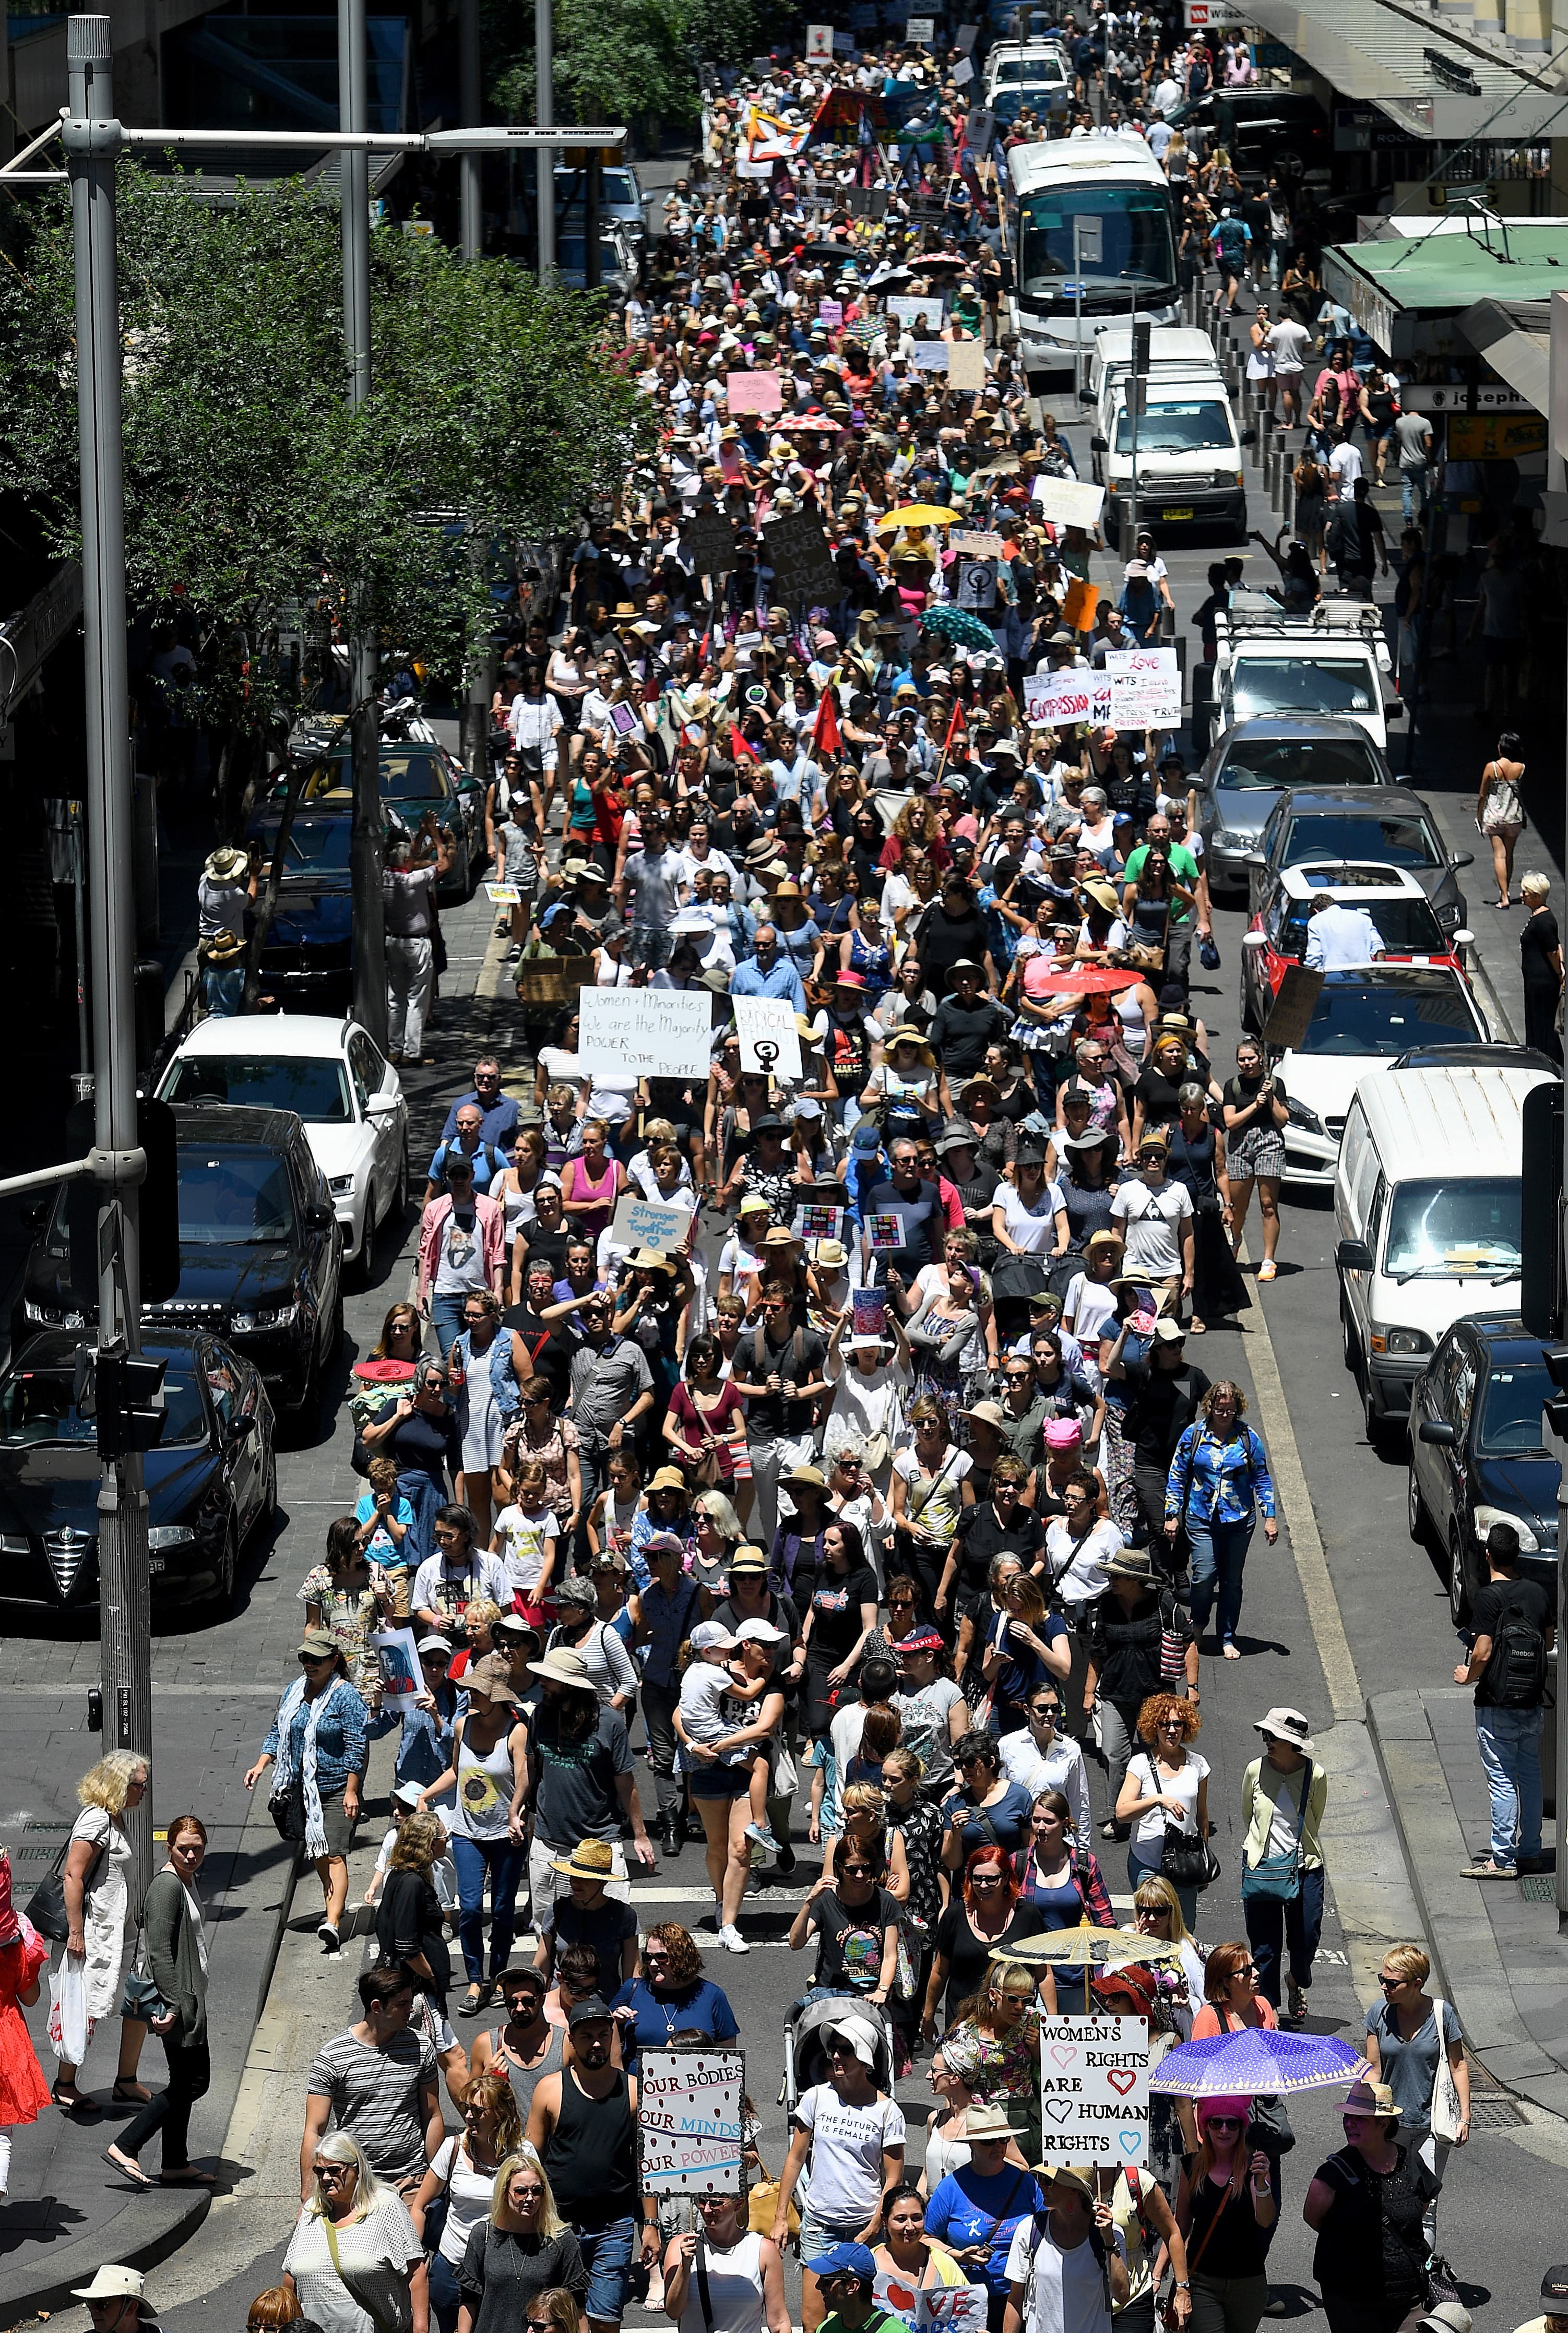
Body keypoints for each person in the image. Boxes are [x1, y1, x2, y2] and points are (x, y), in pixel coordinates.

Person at [101, 1814, 215, 2190]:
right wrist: (172, 2006)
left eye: (197, 1848)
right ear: (170, 1847)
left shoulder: (186, 1880)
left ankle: (176, 2163)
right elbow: (160, 1953)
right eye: (183, 1848)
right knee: (194, 2082)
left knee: (185, 2080)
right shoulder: (166, 1887)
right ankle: (126, 2144)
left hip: (187, 1997)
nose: (190, 1855)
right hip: (179, 2002)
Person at [773, 2015, 907, 2333]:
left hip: (867, 2229)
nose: (835, 2056)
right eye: (833, 2048)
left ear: (864, 2059)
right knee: (813, 2320)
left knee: (867, 2319)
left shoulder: (887, 2111)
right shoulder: (816, 2097)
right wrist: (781, 2215)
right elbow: (795, 2158)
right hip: (821, 2226)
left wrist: (876, 2225)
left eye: (845, 2049)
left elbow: (893, 2178)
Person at [527, 1997, 652, 2333]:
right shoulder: (550, 2089)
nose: (596, 2043)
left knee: (605, 2320)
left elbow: (647, 2163)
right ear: (572, 2040)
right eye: (586, 2036)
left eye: (603, 2035)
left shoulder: (634, 2091)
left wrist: (650, 2224)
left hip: (614, 2225)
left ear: (613, 2037)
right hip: (557, 2226)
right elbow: (528, 2161)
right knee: (554, 2319)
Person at [524, 1640, 656, 1938]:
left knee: (614, 1931)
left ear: (570, 1685)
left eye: (549, 1679)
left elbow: (626, 1784)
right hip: (548, 1844)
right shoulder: (541, 1716)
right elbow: (532, 1770)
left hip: (600, 1844)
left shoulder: (609, 1723)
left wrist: (641, 1835)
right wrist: (519, 1809)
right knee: (547, 1933)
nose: (541, 1683)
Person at [246, 1633, 367, 1953]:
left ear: (334, 1661)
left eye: (316, 1660)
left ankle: (333, 1922)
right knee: (320, 1852)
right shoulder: (294, 1690)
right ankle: (332, 1907)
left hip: (336, 1787)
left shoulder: (346, 1697)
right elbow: (278, 1730)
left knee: (334, 1852)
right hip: (303, 1789)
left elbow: (357, 1747)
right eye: (305, 1659)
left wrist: (352, 1791)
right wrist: (262, 1765)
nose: (309, 1665)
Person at [49, 1749, 149, 2112]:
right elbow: (73, 1875)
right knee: (85, 2005)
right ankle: (64, 2082)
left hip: (121, 1929)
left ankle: (126, 2080)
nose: (144, 1791)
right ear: (120, 1784)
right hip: (95, 1931)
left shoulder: (116, 1819)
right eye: (140, 1784)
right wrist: (76, 1931)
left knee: (137, 1997)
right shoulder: (96, 1820)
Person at [1454, 1519, 1553, 1878]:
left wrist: (1469, 1676)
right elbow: (1548, 1639)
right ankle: (1530, 1851)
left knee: (1501, 1780)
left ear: (1488, 1555)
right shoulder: (1538, 1594)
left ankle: (1501, 1859)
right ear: (1518, 1553)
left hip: (1497, 1703)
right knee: (1530, 1777)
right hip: (1531, 1701)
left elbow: (1482, 1651)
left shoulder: (1489, 1598)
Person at [1303, 2081, 1439, 2333]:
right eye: (1347, 2117)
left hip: (1408, 2297)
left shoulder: (1410, 2161)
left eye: (1359, 2119)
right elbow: (1313, 2217)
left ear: (1383, 2123)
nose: (1349, 2124)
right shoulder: (1333, 2173)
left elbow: (1416, 2214)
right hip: (1350, 2298)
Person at [301, 1965, 443, 2201]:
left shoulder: (421, 2047)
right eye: (402, 2004)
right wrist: (308, 2194)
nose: (411, 2009)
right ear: (377, 2007)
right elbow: (314, 2130)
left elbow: (433, 2114)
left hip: (411, 2180)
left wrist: (433, 2174)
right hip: (356, 2184)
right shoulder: (333, 2057)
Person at [1363, 1944, 1469, 2246]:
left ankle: (1421, 2279)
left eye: (1393, 1983)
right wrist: (1375, 2116)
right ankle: (1391, 2270)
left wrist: (1465, 2117)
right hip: (1389, 2126)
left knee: (1425, 2207)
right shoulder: (1379, 2014)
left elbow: (1458, 2065)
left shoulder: (1441, 2013)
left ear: (1417, 1984)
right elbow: (1373, 2067)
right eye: (1382, 1980)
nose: (1385, 1987)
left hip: (1431, 2125)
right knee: (1388, 2201)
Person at [1165, 1383, 1277, 1658]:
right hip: (1201, 1517)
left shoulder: (1248, 1438)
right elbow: (1178, 1474)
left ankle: (1227, 1636)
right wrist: (1172, 1514)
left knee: (1231, 1581)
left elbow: (1261, 1478)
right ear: (1210, 1408)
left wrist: (1270, 1517)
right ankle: (1199, 1624)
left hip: (1239, 1519)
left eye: (1230, 1410)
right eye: (1219, 1409)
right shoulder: (1194, 1435)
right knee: (1204, 1576)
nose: (1225, 1415)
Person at [411, 2074, 524, 2333]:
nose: (469, 2116)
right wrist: (417, 2258)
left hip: (505, 2271)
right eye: (466, 2109)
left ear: (501, 2113)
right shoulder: (452, 2149)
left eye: (478, 2111)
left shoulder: (524, 2154)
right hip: (452, 2270)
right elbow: (420, 2206)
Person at [285, 2130, 429, 2333]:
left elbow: (416, 2272)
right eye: (319, 2171)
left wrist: (421, 2329)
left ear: (358, 2170)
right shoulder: (312, 2210)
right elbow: (291, 2276)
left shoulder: (385, 2206)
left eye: (335, 2170)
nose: (326, 2178)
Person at [1239, 1707, 1326, 2024]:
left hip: (1305, 1867)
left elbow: (1315, 1819)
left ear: (1293, 1743)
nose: (1267, 1740)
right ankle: (1270, 2008)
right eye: (1265, 1734)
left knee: (1306, 1938)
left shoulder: (1315, 1775)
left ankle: (1296, 1980)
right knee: (1265, 1946)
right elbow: (1249, 1816)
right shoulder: (1254, 1770)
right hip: (1262, 1866)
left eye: (1273, 1736)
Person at [923, 2111, 1045, 2330]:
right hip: (970, 2297)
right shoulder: (951, 2188)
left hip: (1021, 2295)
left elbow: (1048, 2228)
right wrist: (956, 2255)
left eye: (1004, 2139)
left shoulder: (1026, 2184)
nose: (998, 2147)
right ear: (971, 2143)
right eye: (989, 2141)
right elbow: (925, 2237)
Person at [455, 2154, 588, 2333]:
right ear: (505, 2192)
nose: (530, 2198)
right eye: (521, 2191)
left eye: (537, 2191)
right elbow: (469, 2300)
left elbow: (577, 2306)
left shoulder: (561, 2239)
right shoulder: (483, 2235)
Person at [1172, 2101, 1274, 2333]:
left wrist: (1262, 2183)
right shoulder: (1192, 2166)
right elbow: (1180, 2226)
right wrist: (1159, 2276)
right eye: (1216, 2122)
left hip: (1248, 2282)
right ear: (1205, 2127)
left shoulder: (1254, 2167)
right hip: (1202, 2281)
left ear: (1242, 2128)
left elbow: (1266, 2220)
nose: (1224, 2130)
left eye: (1233, 2123)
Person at [1002, 2158, 1129, 2333]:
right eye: (1040, 2178)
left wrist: (1108, 2240)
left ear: (1073, 2190)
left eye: (1048, 2181)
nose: (1041, 2186)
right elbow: (1015, 2300)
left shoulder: (1110, 2233)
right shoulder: (1030, 2229)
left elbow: (1122, 2295)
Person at [1115, 1693, 1210, 1928]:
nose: (1171, 1730)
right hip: (1147, 1863)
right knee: (1148, 1929)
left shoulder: (1198, 1764)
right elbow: (1122, 1812)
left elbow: (1202, 1817)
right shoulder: (1140, 1764)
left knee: (1184, 1930)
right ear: (1153, 1727)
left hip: (1185, 1864)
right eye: (1164, 1724)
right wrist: (1157, 1800)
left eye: (1177, 1724)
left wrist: (1204, 1861)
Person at [609, 1923, 740, 2069]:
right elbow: (602, 2033)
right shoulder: (632, 1989)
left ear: (682, 1957)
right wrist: (616, 2022)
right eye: (648, 1957)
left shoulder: (712, 1995)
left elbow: (728, 2054)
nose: (653, 1964)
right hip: (637, 2084)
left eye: (661, 1957)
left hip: (692, 2086)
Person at [663, 2185, 791, 2333]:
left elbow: (779, 2322)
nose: (707, 2210)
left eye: (716, 2203)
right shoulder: (681, 2246)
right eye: (702, 2201)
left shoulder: (763, 2251)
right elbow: (673, 2311)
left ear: (739, 2204)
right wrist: (684, 2267)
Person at [1221, 1043, 1288, 1283]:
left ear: (1260, 1058)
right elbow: (1230, 1122)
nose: (1247, 1063)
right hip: (1241, 1143)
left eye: (1250, 1058)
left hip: (1269, 1141)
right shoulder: (1233, 1086)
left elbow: (1282, 1121)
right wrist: (1255, 1105)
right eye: (1242, 1060)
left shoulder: (1275, 1084)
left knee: (1268, 1204)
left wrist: (1270, 1099)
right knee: (1238, 1206)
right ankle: (1235, 1238)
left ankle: (1269, 1259)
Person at [468, 1964, 562, 2128]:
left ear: (542, 1999)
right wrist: (486, 2080)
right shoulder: (485, 2044)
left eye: (528, 2001)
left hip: (554, 2149)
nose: (520, 2008)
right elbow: (468, 2105)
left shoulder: (565, 2043)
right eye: (512, 2002)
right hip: (504, 2148)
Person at [999, 1684, 1091, 1845]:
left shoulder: (1070, 1749)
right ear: (1027, 1710)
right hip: (1019, 1838)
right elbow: (1000, 1796)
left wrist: (1082, 1845)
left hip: (1058, 1838)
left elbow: (1080, 1800)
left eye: (1055, 1708)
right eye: (1042, 1709)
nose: (1050, 1714)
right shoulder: (1008, 1745)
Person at [1477, 733, 1528, 911]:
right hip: (1514, 816)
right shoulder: (1521, 768)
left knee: (1499, 855)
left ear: (1502, 748)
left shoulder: (1492, 767)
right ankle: (1506, 892)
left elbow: (1483, 794)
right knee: (1509, 854)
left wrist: (1479, 814)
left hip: (1495, 816)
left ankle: (1504, 895)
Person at [1519, 872, 1563, 1063]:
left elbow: (1553, 951)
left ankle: (1549, 1060)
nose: (1521, 895)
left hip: (1543, 983)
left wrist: (1559, 973)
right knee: (1536, 1021)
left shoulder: (1544, 920)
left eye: (1525, 893)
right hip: (1534, 981)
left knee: (1543, 1024)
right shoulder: (1539, 916)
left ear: (1537, 896)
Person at [1304, 889, 1384, 972]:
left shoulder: (1316, 921)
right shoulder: (1363, 918)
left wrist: (1309, 970)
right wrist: (1379, 971)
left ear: (1315, 911)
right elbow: (1379, 948)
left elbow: (1314, 957)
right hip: (1364, 974)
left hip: (1332, 974)